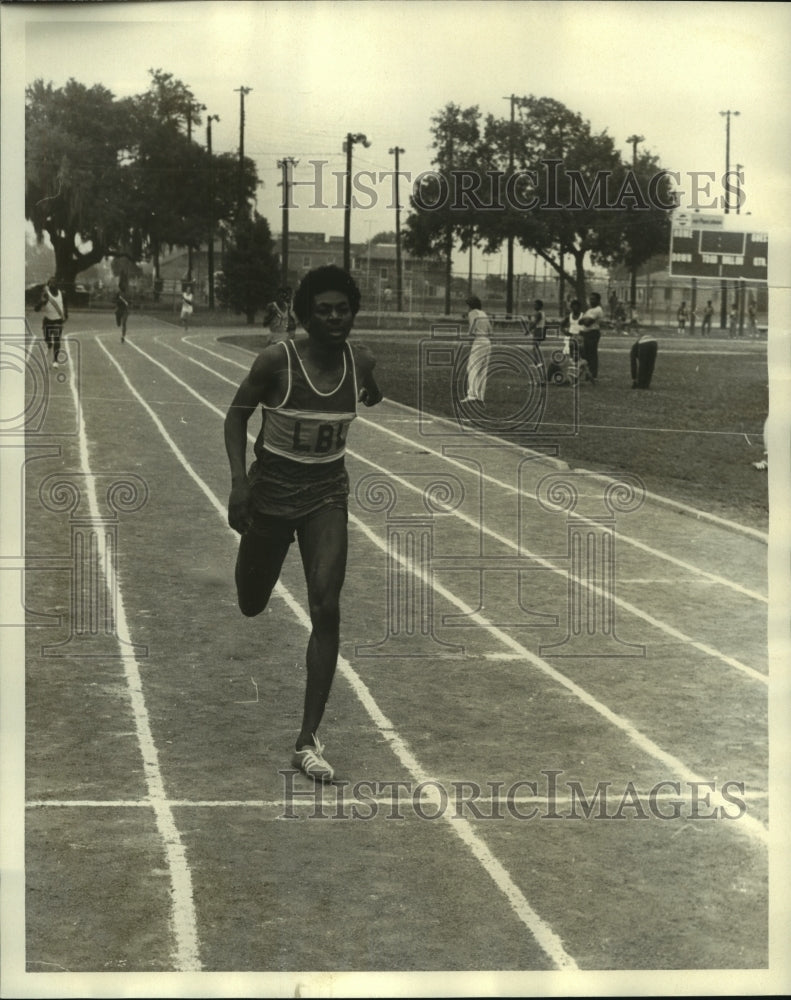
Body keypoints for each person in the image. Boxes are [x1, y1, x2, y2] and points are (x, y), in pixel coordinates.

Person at [224, 265, 383, 782]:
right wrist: (239, 485)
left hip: (326, 497)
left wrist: (373, 391)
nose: (335, 318)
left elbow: (371, 383)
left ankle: (307, 739)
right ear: (305, 316)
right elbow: (235, 417)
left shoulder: (360, 362)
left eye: (343, 309)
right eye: (324, 310)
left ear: (353, 313)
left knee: (327, 605)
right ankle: (253, 556)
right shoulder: (277, 361)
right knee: (251, 602)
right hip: (270, 497)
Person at [460, 295, 492, 404]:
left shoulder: (472, 313)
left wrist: (469, 335)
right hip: (487, 341)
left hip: (479, 341)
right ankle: (480, 396)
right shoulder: (484, 313)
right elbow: (491, 331)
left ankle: (472, 395)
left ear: (470, 305)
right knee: (483, 370)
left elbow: (472, 328)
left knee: (472, 367)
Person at [34, 276, 68, 368]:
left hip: (58, 320)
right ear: (48, 285)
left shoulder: (62, 294)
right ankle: (49, 345)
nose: (53, 285)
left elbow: (65, 305)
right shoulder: (46, 295)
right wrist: (42, 302)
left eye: (54, 283)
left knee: (57, 339)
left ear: (57, 285)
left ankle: (55, 361)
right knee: (48, 339)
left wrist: (66, 315)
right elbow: (36, 309)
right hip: (48, 321)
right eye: (51, 283)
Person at [578, 291, 604, 382]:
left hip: (592, 333)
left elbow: (588, 323)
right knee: (585, 354)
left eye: (593, 299)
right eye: (590, 299)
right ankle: (588, 374)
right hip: (585, 333)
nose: (591, 301)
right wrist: (585, 320)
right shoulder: (589, 310)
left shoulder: (598, 309)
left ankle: (593, 374)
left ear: (598, 300)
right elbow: (580, 321)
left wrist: (585, 320)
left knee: (592, 354)